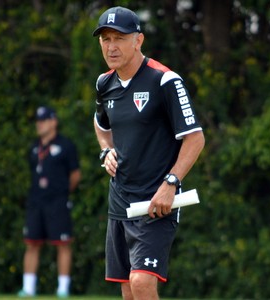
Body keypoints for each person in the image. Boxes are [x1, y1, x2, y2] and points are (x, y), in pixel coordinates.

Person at [92, 6, 205, 300]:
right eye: (105, 39)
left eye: (119, 38)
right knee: (128, 289)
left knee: (141, 282)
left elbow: (195, 138)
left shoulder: (164, 80)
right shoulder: (105, 83)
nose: (112, 46)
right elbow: (101, 125)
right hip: (120, 201)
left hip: (156, 202)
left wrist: (171, 183)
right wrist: (106, 151)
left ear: (138, 40)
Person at [18, 106, 81, 298]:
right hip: (36, 201)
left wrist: (61, 193)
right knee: (32, 243)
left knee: (62, 244)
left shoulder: (66, 145)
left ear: (53, 121)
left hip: (57, 202)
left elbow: (75, 175)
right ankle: (28, 288)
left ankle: (63, 289)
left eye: (43, 120)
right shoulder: (34, 147)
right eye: (38, 121)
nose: (39, 124)